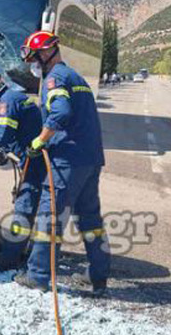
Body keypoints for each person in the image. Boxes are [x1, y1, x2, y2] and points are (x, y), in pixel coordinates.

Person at [15, 31, 110, 295]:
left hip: (67, 161)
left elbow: (61, 112)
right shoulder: (76, 77)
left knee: (50, 218)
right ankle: (98, 276)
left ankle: (38, 275)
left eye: (34, 59)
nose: (33, 65)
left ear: (46, 53)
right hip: (90, 160)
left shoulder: (54, 78)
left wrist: (40, 140)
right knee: (90, 220)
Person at [0, 62, 45, 270]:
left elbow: (1, 135)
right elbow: (14, 134)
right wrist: (1, 153)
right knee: (28, 205)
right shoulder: (13, 98)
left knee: (24, 206)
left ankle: (10, 258)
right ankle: (22, 250)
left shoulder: (7, 101)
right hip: (32, 159)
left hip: (35, 162)